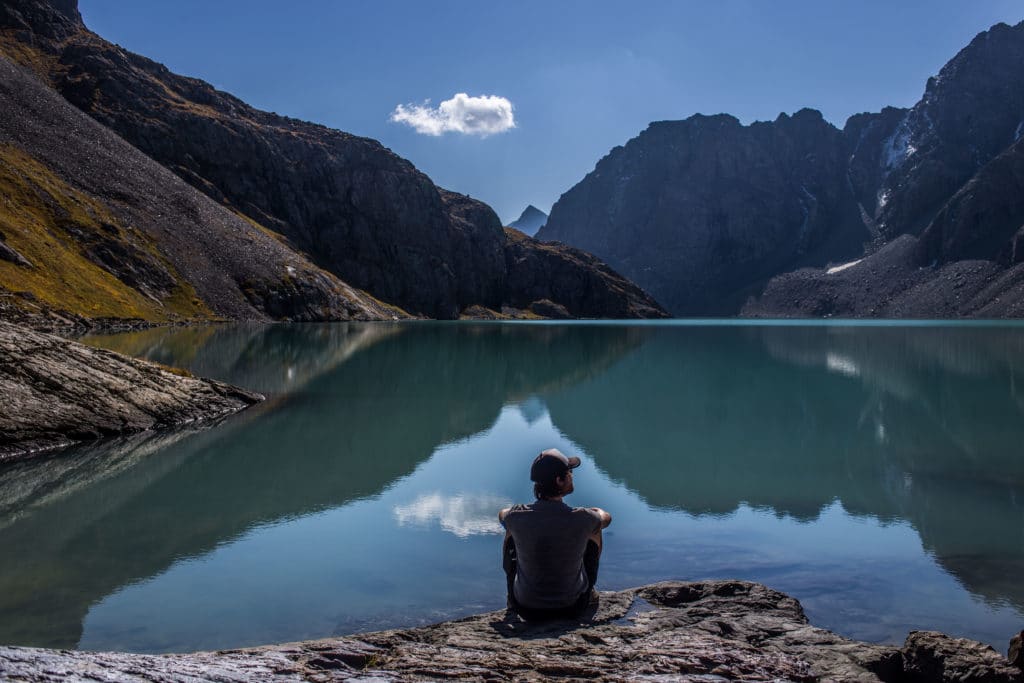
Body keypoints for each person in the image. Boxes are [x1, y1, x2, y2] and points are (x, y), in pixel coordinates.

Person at [498, 448, 612, 620]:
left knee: (511, 533)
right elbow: (606, 518)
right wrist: (596, 511)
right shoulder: (582, 517)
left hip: (525, 607)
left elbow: (502, 515)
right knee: (594, 531)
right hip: (572, 607)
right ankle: (590, 592)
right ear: (559, 480)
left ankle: (510, 596)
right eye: (569, 472)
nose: (572, 476)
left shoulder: (516, 516)